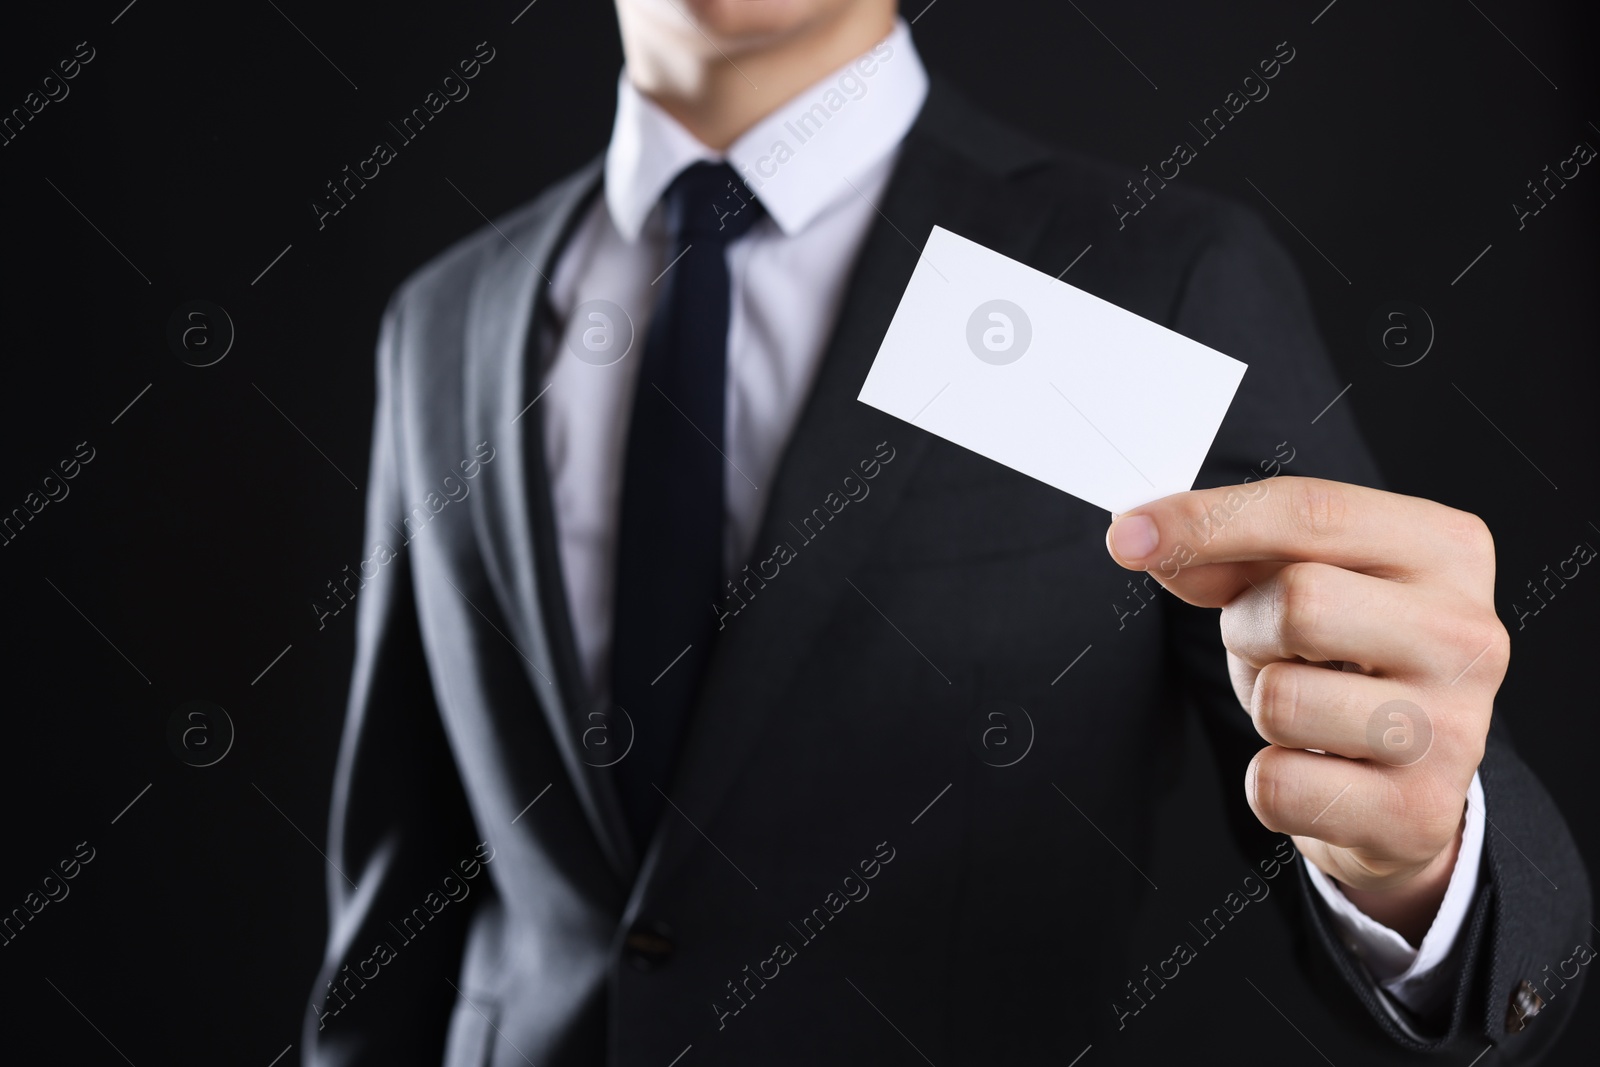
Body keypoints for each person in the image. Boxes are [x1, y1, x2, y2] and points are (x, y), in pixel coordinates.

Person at [305, 1, 1588, 1063]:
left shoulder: (1151, 277)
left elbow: (1380, 765)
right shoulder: (445, 322)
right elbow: (396, 906)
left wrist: (1421, 850)